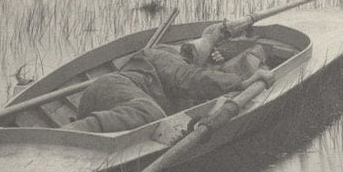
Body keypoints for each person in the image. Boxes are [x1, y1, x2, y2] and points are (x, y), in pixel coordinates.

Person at [64, 23, 272, 133]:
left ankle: (84, 135)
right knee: (151, 113)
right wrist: (242, 83)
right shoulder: (163, 54)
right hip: (112, 88)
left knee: (155, 118)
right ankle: (70, 134)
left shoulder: (190, 82)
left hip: (117, 105)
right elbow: (189, 78)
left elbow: (198, 84)